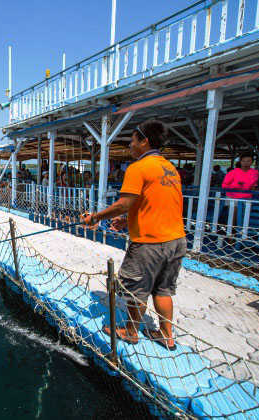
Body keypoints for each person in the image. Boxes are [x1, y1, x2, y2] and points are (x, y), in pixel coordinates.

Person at [81, 119, 185, 350]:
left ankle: (130, 331)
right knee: (163, 289)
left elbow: (123, 203)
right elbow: (158, 202)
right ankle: (166, 335)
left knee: (135, 289)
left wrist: (95, 218)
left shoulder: (138, 167)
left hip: (150, 243)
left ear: (144, 141)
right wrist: (128, 221)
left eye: (132, 140)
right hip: (176, 239)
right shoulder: (169, 167)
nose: (130, 145)